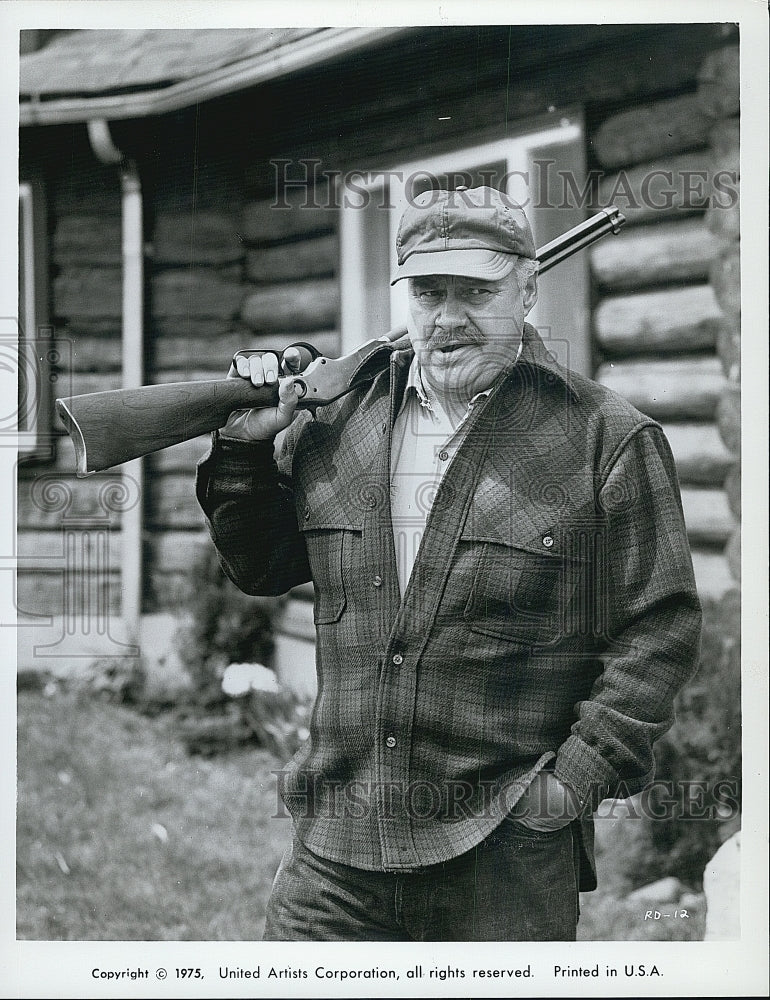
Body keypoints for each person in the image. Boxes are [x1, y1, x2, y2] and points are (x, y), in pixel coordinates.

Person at [196, 186, 702, 941]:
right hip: (336, 851)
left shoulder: (606, 440)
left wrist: (568, 789)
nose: (450, 316)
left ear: (527, 289)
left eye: (477, 291)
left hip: (504, 856)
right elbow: (260, 565)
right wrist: (243, 445)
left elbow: (656, 634)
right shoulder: (336, 421)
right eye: (430, 292)